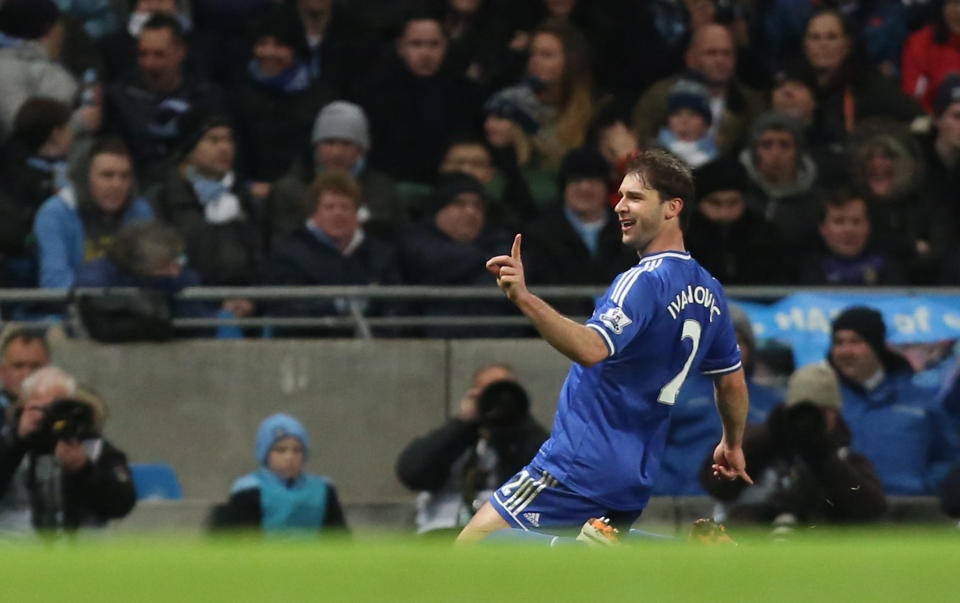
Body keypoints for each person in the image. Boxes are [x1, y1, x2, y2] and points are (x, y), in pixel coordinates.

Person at [457, 149, 752, 542]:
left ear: (672, 208)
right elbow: (730, 382)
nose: (619, 207)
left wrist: (524, 298)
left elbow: (592, 349)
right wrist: (732, 443)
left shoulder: (642, 280)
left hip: (578, 463)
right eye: (620, 195)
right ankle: (684, 555)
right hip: (635, 475)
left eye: (634, 197)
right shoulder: (710, 291)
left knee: (474, 547)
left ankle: (666, 555)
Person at [699, 362, 887, 525]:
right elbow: (716, 486)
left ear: (835, 414)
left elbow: (871, 507)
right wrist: (769, 438)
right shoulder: (756, 444)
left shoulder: (844, 457)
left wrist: (822, 457)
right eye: (802, 412)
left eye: (820, 413)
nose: (809, 421)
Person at [396, 365, 549, 535]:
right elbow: (412, 473)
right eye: (490, 392)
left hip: (501, 534)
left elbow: (547, 476)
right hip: (441, 530)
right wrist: (461, 423)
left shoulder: (526, 439)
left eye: (506, 394)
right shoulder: (455, 436)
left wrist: (520, 422)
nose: (498, 401)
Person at [828, 306, 960, 495]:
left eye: (855, 341)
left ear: (876, 346)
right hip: (844, 517)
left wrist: (927, 484)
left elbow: (950, 456)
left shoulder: (920, 400)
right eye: (838, 342)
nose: (845, 351)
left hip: (912, 514)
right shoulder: (827, 403)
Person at [654, 304, 783, 496]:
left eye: (739, 340)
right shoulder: (672, 393)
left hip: (748, 507)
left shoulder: (771, 402)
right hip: (677, 505)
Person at [261, 170, 402, 337]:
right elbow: (284, 309)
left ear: (357, 213)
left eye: (346, 207)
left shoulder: (381, 254)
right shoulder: (289, 254)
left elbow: (397, 307)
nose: (338, 213)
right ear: (314, 213)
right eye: (329, 207)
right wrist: (333, 306)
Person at [0, 367, 136, 534]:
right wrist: (16, 442)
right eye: (41, 408)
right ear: (25, 407)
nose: (50, 415)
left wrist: (84, 469)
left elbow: (122, 504)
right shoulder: (9, 442)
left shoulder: (95, 447)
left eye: (58, 406)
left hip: (82, 553)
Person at [359, 10, 483, 184]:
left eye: (434, 44)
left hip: (451, 186)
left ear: (445, 47)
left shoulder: (467, 94)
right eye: (416, 44)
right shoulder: (376, 94)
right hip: (392, 184)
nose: (426, 53)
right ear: (400, 47)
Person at [103, 13, 223, 188]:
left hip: (196, 187)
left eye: (159, 54)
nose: (148, 63)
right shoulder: (119, 98)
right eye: (143, 54)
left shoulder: (205, 97)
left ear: (180, 52)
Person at [231, 5, 335, 198]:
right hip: (249, 193)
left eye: (279, 45)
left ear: (295, 49)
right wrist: (245, 186)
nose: (269, 52)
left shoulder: (319, 96)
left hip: (306, 193)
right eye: (262, 43)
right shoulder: (238, 94)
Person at [149, 114, 262, 288]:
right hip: (188, 303)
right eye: (213, 140)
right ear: (189, 148)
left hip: (246, 303)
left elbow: (263, 257)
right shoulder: (164, 197)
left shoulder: (245, 197)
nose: (225, 148)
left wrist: (252, 298)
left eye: (229, 139)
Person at [522, 146, 636, 316]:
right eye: (576, 180)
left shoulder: (629, 228)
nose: (585, 187)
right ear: (564, 186)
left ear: (606, 187)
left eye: (594, 180)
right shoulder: (540, 234)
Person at [269, 100, 401, 242]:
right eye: (329, 142)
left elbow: (395, 242)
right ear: (316, 146)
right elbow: (282, 243)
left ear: (362, 150)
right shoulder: (289, 190)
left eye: (346, 144)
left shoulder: (382, 190)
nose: (337, 152)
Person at [33, 138, 154, 288]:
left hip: (133, 305)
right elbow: (54, 283)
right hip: (77, 307)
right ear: (84, 179)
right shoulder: (55, 214)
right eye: (107, 175)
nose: (117, 185)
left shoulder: (139, 210)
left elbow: (154, 270)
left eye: (125, 176)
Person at [631, 24, 764, 155]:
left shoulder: (750, 102)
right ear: (690, 58)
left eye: (727, 53)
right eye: (711, 53)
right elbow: (641, 139)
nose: (720, 60)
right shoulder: (660, 96)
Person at [218, 413, 347, 535]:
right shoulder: (249, 490)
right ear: (265, 454)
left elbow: (341, 542)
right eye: (280, 450)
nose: (289, 457)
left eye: (297, 450)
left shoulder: (322, 490)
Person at [0, 98, 74, 286]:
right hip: (26, 258)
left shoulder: (79, 168)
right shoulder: (14, 173)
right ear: (57, 134)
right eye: (69, 128)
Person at [685, 156, 783, 285]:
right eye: (715, 203)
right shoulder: (682, 236)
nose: (724, 212)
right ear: (699, 203)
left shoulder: (764, 235)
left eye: (733, 203)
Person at [739, 112, 821, 258]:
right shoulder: (740, 196)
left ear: (798, 152)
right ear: (754, 151)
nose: (776, 153)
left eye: (785, 145)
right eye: (767, 145)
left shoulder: (815, 202)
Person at [799, 192, 905, 286]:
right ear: (823, 229)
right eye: (839, 221)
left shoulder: (886, 266)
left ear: (869, 227)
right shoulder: (809, 268)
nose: (849, 230)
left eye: (856, 221)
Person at [902, 0, 960, 114]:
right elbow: (914, 90)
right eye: (954, 3)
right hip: (935, 116)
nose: (958, 10)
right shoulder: (921, 41)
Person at [655, 77, 718, 169]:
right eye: (677, 114)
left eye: (693, 114)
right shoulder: (653, 156)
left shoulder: (720, 163)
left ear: (706, 124)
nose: (684, 121)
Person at [0, 328, 50, 429]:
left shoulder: (62, 409)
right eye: (18, 366)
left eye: (36, 366)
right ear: (3, 372)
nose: (27, 374)